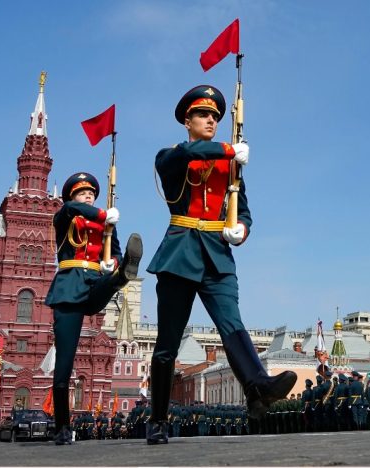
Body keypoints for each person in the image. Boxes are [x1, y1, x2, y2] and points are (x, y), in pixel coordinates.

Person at [146, 85, 297, 444]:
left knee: (232, 323)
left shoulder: (230, 168)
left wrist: (240, 229)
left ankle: (257, 385)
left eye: (215, 116)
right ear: (187, 121)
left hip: (217, 255)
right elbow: (185, 155)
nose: (211, 120)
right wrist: (229, 149)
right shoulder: (171, 156)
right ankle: (157, 419)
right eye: (203, 115)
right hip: (180, 253)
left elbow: (242, 210)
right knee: (167, 343)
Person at [45, 172, 143, 445]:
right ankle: (62, 427)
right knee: (65, 363)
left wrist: (113, 261)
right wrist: (102, 214)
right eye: (82, 193)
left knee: (117, 274)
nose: (88, 195)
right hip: (68, 289)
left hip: (95, 284)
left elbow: (117, 251)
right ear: (73, 197)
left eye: (91, 193)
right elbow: (69, 208)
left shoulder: (106, 227)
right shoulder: (66, 217)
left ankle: (121, 276)